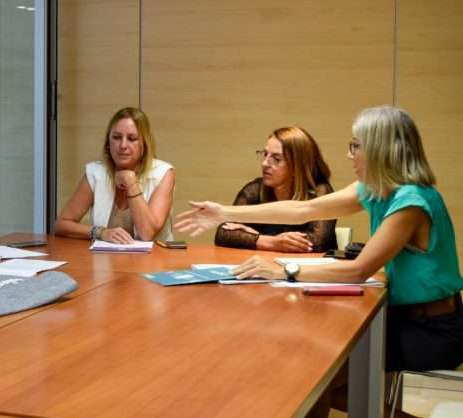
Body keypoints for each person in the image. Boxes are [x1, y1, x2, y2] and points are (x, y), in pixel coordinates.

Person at [175, 106, 463, 417]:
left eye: (356, 145)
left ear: (379, 149)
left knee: (311, 374)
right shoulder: (378, 189)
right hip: (402, 317)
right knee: (310, 368)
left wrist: (285, 269)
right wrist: (224, 213)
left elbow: (357, 269)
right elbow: (305, 210)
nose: (350, 154)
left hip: (431, 330)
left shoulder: (411, 202)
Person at [55, 107, 175, 243]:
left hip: (155, 260)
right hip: (107, 260)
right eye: (116, 137)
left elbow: (147, 234)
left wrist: (130, 181)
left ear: (144, 145)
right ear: (108, 143)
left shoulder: (163, 173)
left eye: (132, 139)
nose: (123, 145)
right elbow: (61, 225)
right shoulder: (96, 172)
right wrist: (100, 232)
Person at [214, 126, 337, 252]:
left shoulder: (321, 193)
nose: (265, 164)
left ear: (297, 166)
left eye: (277, 159)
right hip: (263, 266)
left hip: (307, 270)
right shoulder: (256, 189)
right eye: (265, 154)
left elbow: (317, 242)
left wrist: (253, 237)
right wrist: (270, 242)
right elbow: (224, 232)